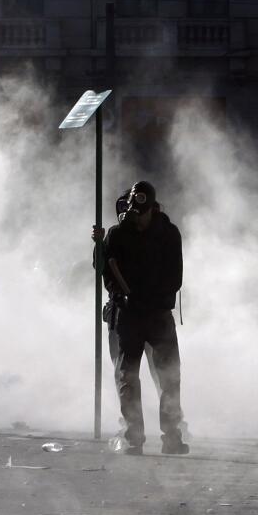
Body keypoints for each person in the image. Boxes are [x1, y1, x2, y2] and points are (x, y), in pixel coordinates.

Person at [93, 190, 190, 445]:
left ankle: (173, 433)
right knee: (127, 375)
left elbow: (175, 278)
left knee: (168, 375)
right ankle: (133, 433)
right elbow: (105, 270)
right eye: (131, 212)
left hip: (157, 314)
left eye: (141, 213)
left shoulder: (168, 233)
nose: (135, 218)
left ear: (153, 209)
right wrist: (99, 247)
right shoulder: (117, 234)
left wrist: (147, 299)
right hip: (127, 316)